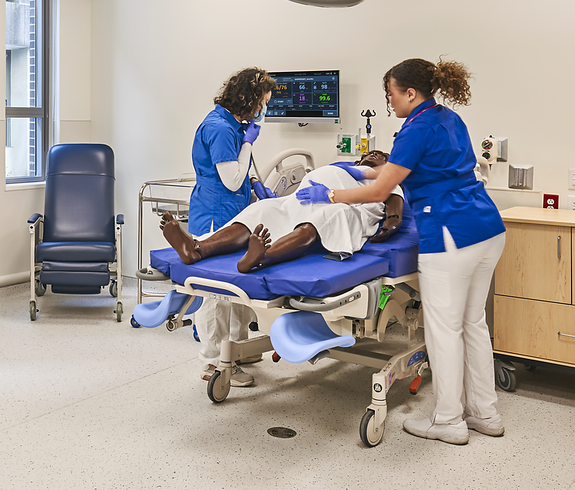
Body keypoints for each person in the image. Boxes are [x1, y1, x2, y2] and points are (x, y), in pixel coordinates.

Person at [305, 58, 505, 445]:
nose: (389, 103)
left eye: (391, 95)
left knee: (445, 330)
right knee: (472, 324)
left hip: (451, 234)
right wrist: (357, 171)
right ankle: (486, 413)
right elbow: (402, 170)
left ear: (410, 93)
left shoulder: (416, 128)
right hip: (486, 227)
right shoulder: (448, 118)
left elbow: (383, 192)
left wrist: (330, 194)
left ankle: (448, 420)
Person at [181, 67, 275, 385]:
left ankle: (236, 349)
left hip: (232, 214)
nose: (263, 109)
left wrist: (254, 183)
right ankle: (213, 362)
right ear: (249, 99)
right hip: (213, 218)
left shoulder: (232, 124)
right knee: (215, 294)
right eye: (262, 102)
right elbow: (229, 178)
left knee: (236, 289)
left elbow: (238, 171)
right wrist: (248, 146)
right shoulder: (221, 128)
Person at [162, 151, 404, 271]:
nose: (372, 155)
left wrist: (391, 224)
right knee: (263, 209)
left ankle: (262, 258)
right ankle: (197, 249)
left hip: (346, 208)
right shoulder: (345, 167)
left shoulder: (386, 180)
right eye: (367, 155)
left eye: (380, 155)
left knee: (322, 220)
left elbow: (394, 208)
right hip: (298, 201)